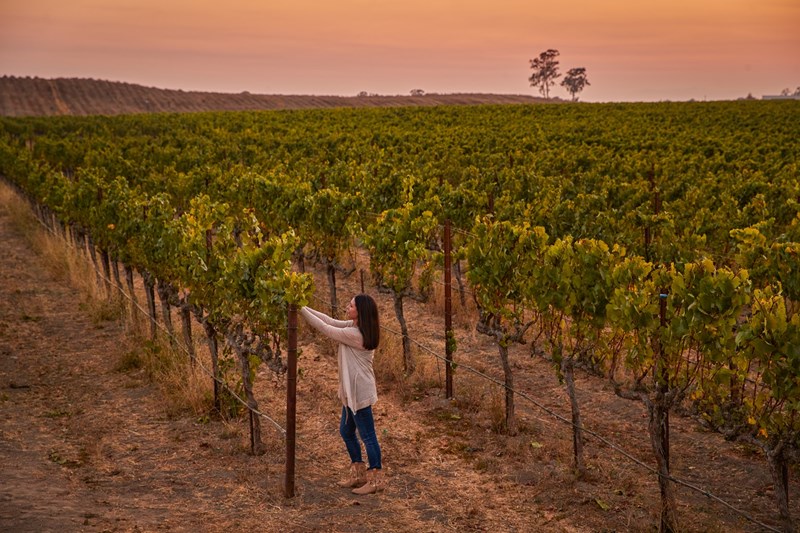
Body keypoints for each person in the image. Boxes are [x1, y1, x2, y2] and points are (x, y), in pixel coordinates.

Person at [299, 294, 384, 495]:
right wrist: (301, 305)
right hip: (351, 392)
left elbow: (325, 328)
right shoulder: (354, 327)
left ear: (360, 312)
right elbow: (329, 320)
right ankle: (359, 474)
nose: (347, 306)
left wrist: (298, 308)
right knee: (346, 431)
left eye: (351, 305)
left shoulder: (355, 334)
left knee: (368, 436)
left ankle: (376, 481)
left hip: (359, 392)